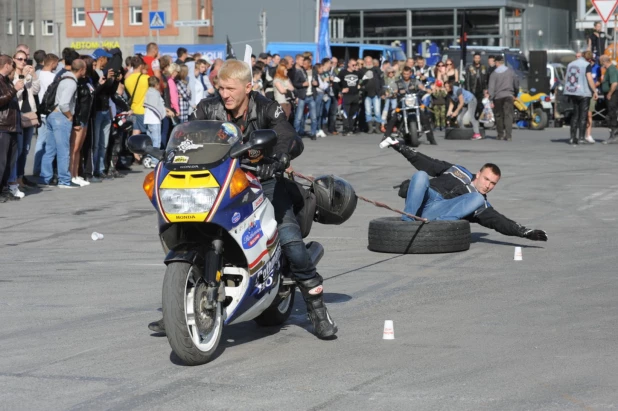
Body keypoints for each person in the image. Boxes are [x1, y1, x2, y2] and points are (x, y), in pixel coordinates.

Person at [146, 59, 339, 340]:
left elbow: (289, 136)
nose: (224, 94)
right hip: (223, 181)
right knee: (193, 228)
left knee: (289, 240)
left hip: (265, 180)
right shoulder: (207, 109)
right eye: (220, 87)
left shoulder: (266, 108)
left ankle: (317, 308)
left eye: (230, 88)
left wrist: (281, 157)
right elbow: (188, 139)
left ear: (248, 86)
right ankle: (179, 305)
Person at [379, 139, 549, 242]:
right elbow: (428, 163)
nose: (488, 185)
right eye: (486, 179)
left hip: (439, 212)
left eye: (493, 183)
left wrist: (525, 232)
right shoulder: (458, 170)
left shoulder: (476, 202)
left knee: (477, 198)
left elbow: (499, 221)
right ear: (479, 173)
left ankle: (440, 228)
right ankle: (407, 222)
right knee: (421, 175)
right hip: (425, 199)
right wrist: (399, 146)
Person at [38, 59, 85, 188]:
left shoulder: (62, 78)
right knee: (63, 150)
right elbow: (64, 104)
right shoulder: (71, 83)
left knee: (50, 149)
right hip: (61, 117)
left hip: (51, 115)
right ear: (81, 70)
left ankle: (45, 178)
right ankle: (64, 180)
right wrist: (70, 116)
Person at [13, 49, 40, 194]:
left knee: (25, 149)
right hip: (17, 115)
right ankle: (14, 179)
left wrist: (34, 76)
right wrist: (23, 78)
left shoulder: (29, 75)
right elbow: (15, 93)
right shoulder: (13, 75)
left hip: (29, 114)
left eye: (25, 60)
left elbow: (36, 90)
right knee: (18, 149)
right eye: (20, 59)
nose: (23, 62)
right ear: (14, 60)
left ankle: (20, 177)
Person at [91, 48, 117, 181]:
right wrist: (104, 81)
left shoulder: (103, 72)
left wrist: (114, 81)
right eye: (106, 59)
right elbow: (95, 92)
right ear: (101, 58)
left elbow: (109, 93)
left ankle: (100, 168)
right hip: (97, 110)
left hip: (106, 110)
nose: (108, 61)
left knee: (104, 143)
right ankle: (94, 169)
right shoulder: (94, 73)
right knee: (96, 143)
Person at [0, 55, 22, 202]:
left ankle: (4, 189)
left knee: (9, 161)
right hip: (2, 126)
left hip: (12, 126)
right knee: (1, 161)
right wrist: (14, 90)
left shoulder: (6, 81)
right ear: (7, 65)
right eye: (12, 65)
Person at [33, 53, 59, 177]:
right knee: (49, 144)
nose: (57, 65)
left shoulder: (37, 74)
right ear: (52, 63)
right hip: (49, 111)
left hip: (39, 111)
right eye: (56, 63)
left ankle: (37, 168)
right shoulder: (54, 77)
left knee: (40, 141)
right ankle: (42, 171)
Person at [564, 51, 597, 146]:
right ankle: (581, 138)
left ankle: (572, 138)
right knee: (583, 116)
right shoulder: (587, 65)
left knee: (575, 115)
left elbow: (566, 77)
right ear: (589, 59)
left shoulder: (570, 64)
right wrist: (594, 91)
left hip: (572, 92)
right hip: (583, 93)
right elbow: (589, 78)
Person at [143, 76, 174, 168]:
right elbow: (158, 107)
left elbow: (155, 105)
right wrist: (165, 113)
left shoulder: (148, 92)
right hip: (154, 120)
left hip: (147, 120)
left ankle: (149, 157)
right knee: (156, 141)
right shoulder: (155, 93)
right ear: (156, 85)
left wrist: (166, 111)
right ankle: (155, 160)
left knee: (150, 141)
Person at [487, 55, 519, 141]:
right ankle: (508, 136)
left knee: (498, 116)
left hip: (498, 97)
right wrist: (516, 92)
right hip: (509, 96)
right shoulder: (511, 72)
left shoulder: (493, 74)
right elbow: (516, 83)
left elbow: (491, 88)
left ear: (497, 63)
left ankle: (500, 135)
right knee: (508, 115)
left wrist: (491, 98)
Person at [124, 56, 150, 137]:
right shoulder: (146, 78)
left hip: (133, 110)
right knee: (147, 134)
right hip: (143, 110)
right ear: (140, 66)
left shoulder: (127, 80)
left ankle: (132, 149)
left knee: (135, 132)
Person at [292, 56, 318, 139]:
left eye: (306, 64)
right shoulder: (300, 72)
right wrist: (302, 84)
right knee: (299, 117)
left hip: (311, 96)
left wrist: (316, 83)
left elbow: (317, 83)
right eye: (303, 63)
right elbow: (295, 83)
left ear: (309, 64)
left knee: (313, 117)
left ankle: (313, 133)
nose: (304, 65)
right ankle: (296, 133)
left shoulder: (314, 72)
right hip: (302, 96)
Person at [361, 55, 384, 134]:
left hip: (376, 94)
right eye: (367, 62)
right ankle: (370, 128)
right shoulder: (362, 70)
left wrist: (382, 91)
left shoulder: (377, 70)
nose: (368, 63)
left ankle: (377, 127)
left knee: (377, 111)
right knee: (368, 112)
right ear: (364, 62)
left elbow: (382, 80)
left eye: (370, 61)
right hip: (366, 94)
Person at [338, 59, 360, 136]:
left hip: (355, 95)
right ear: (349, 65)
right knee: (346, 112)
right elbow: (336, 82)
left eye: (356, 65)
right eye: (353, 65)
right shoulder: (342, 72)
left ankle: (351, 127)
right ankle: (346, 128)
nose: (355, 66)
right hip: (347, 96)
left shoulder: (357, 73)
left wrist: (361, 85)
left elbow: (366, 79)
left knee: (353, 113)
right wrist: (341, 90)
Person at [600, 55, 618, 144]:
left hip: (612, 95)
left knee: (611, 114)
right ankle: (613, 135)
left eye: (601, 61)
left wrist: (610, 94)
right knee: (610, 114)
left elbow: (614, 83)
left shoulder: (612, 69)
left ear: (604, 61)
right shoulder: (608, 69)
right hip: (609, 95)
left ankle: (614, 136)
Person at [464, 52, 488, 117]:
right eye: (476, 58)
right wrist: (468, 90)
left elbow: (486, 78)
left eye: (478, 58)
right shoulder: (470, 67)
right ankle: (473, 118)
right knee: (473, 105)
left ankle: (478, 117)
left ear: (480, 59)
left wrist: (486, 89)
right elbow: (467, 80)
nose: (477, 59)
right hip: (472, 89)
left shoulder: (483, 67)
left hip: (481, 89)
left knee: (481, 105)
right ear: (473, 58)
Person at [586, 52, 602, 143]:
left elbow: (600, 79)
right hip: (584, 92)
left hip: (592, 92)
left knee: (589, 114)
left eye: (592, 60)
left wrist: (595, 85)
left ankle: (588, 134)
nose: (591, 61)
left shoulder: (597, 68)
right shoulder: (584, 67)